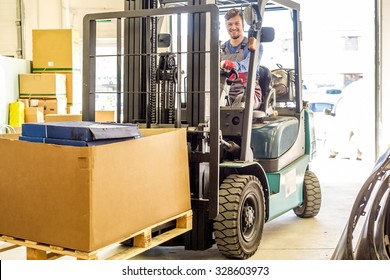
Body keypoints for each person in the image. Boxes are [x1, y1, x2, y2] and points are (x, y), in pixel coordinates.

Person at [220, 8, 263, 109]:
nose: (233, 27)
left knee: (240, 105)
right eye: (230, 24)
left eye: (237, 23)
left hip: (248, 91)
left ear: (243, 25)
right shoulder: (221, 48)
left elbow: (248, 64)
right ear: (226, 26)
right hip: (225, 91)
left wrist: (233, 65)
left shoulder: (253, 45)